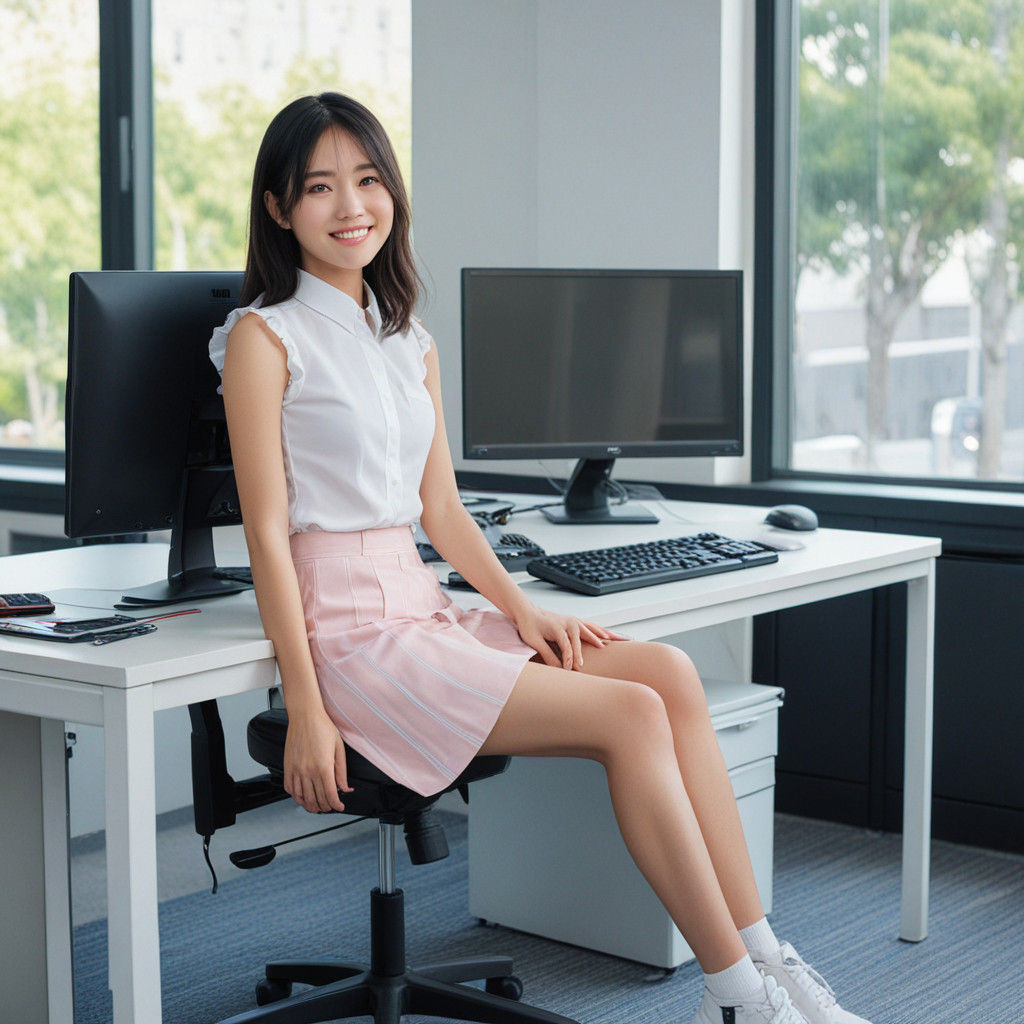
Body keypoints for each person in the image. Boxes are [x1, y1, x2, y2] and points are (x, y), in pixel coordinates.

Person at [209, 91, 871, 1024]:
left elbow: (440, 508)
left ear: (391, 192)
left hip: (424, 609)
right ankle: (740, 1000)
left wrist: (520, 609)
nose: (350, 204)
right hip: (352, 637)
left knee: (671, 674)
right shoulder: (263, 337)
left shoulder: (407, 339)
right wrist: (305, 701)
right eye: (318, 188)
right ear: (278, 210)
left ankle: (772, 957)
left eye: (366, 179)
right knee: (632, 715)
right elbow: (268, 533)